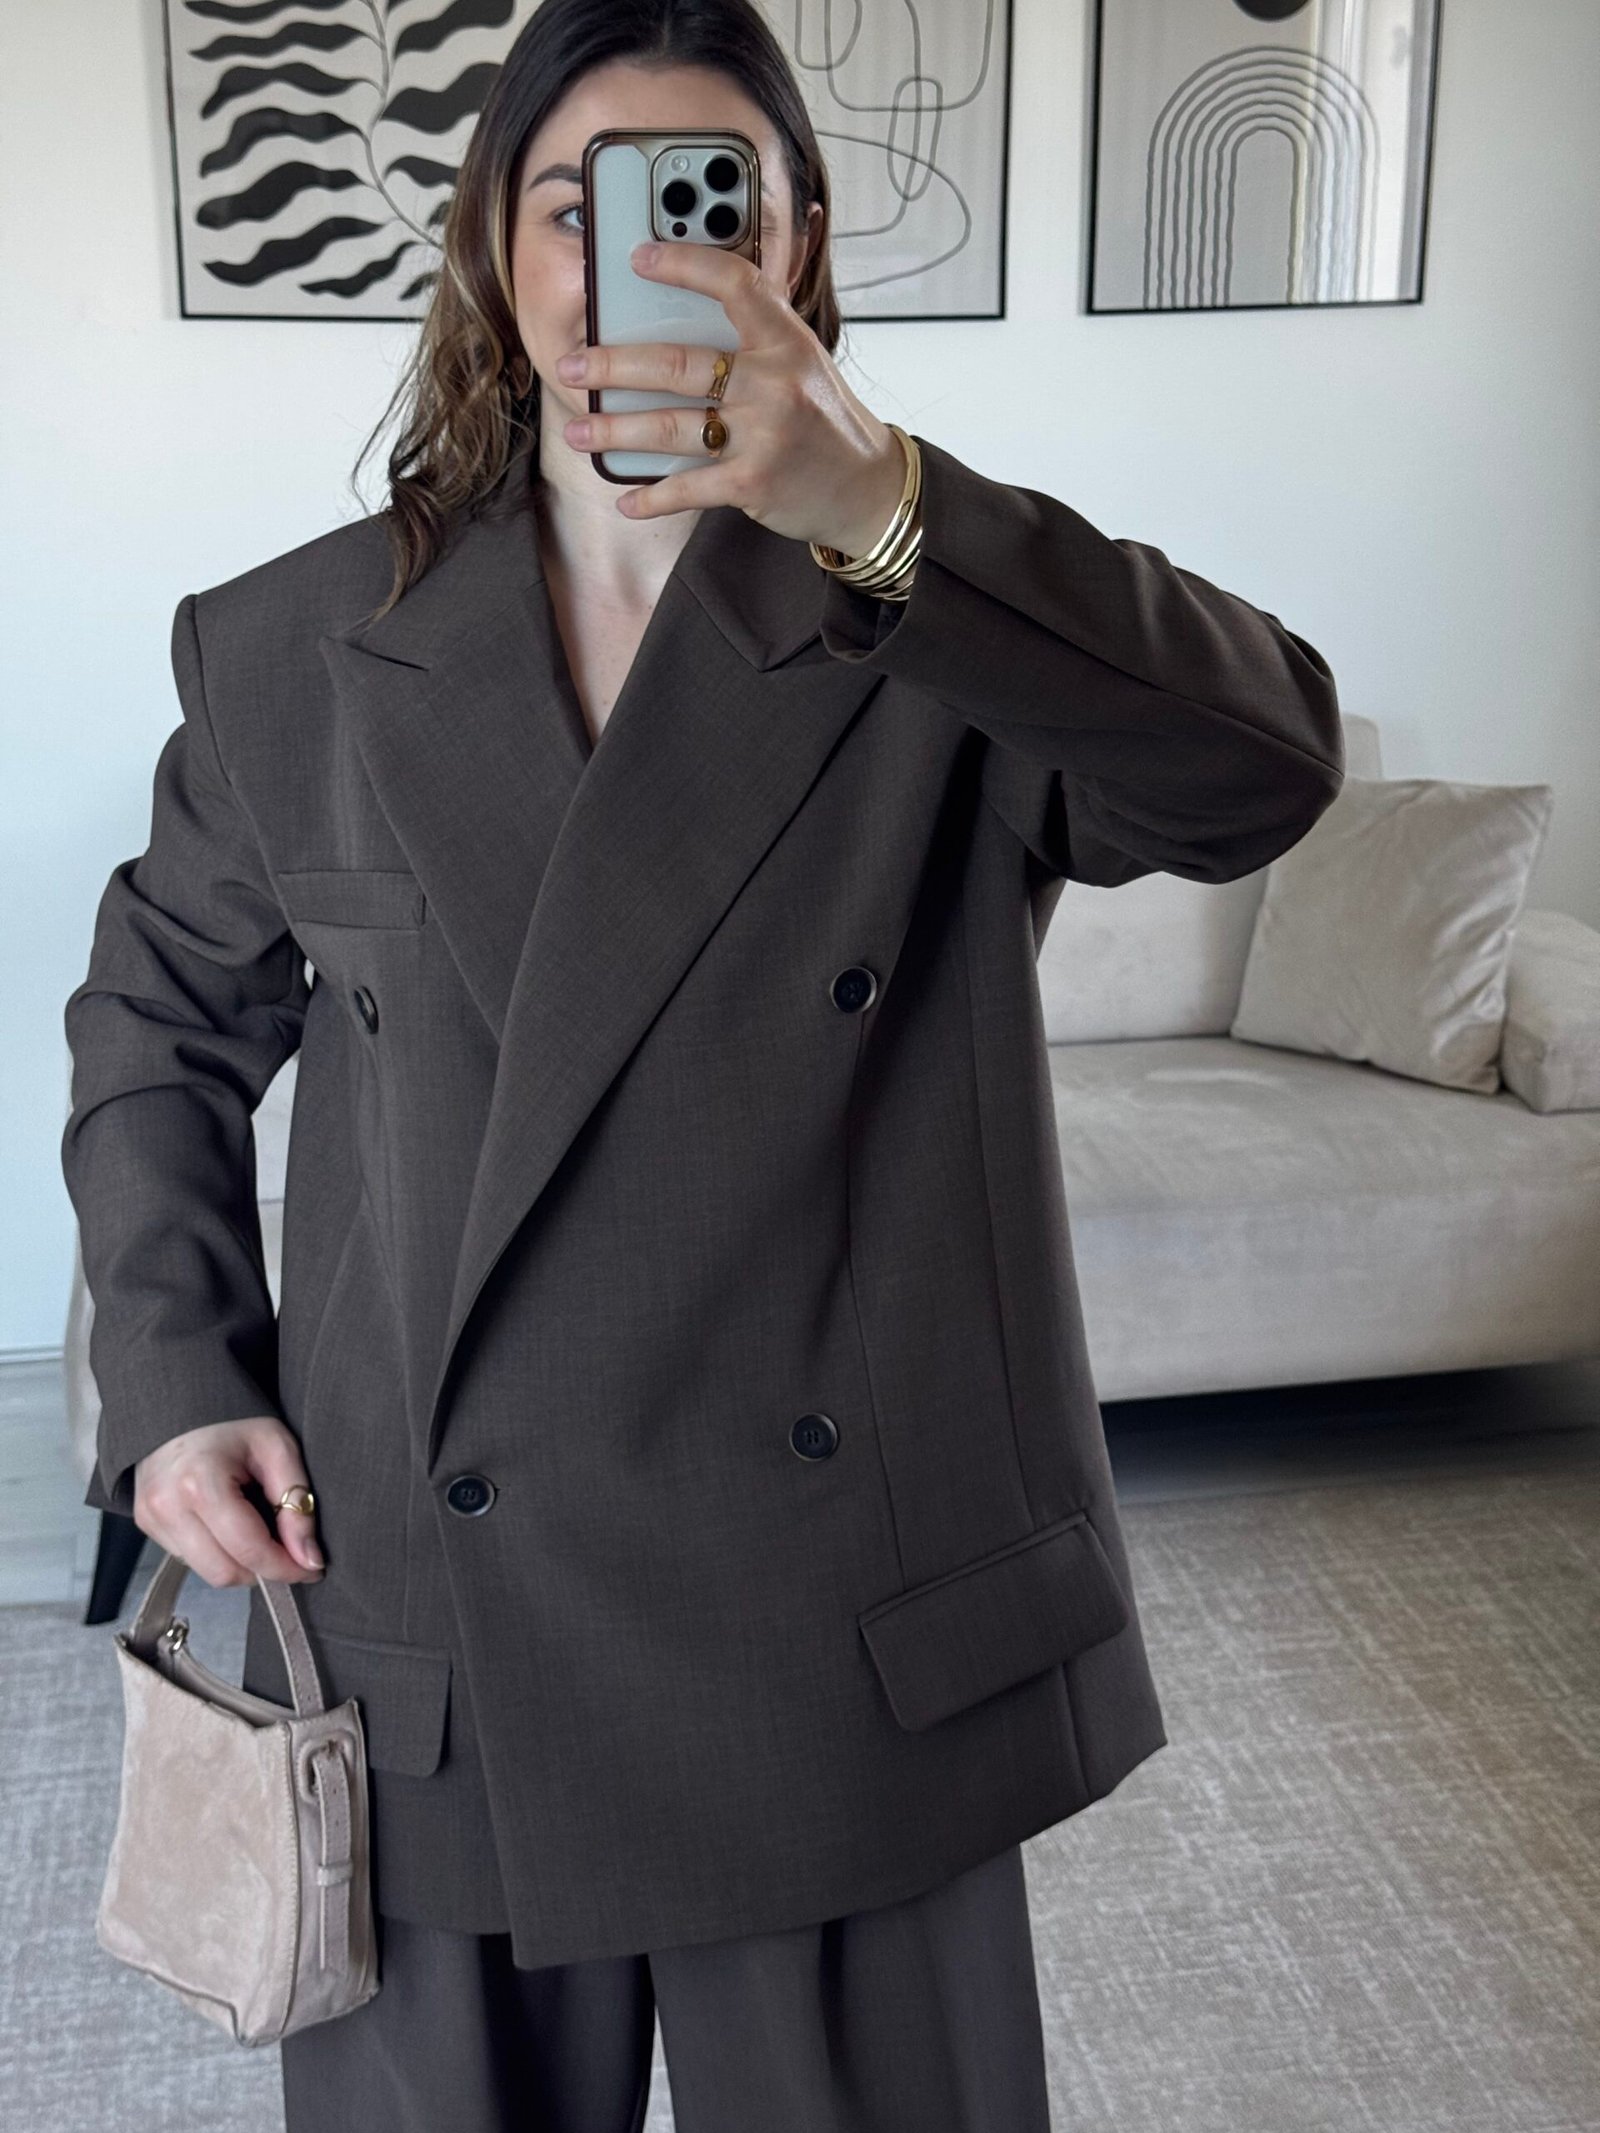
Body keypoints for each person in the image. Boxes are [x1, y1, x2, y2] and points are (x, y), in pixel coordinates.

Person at [63, 2, 1345, 2127]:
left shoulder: (938, 616)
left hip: (847, 1640)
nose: (628, 258)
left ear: (793, 240)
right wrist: (178, 1368)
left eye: (700, 199)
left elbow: (1262, 773)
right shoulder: (297, 648)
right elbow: (156, 1019)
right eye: (574, 203)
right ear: (496, 245)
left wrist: (887, 509)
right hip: (430, 1626)